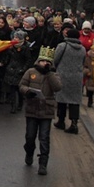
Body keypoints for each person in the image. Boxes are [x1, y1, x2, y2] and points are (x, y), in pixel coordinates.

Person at [19, 46, 62, 175]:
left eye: (48, 62)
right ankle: (29, 152)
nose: (45, 64)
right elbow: (22, 85)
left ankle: (43, 163)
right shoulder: (30, 72)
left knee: (44, 137)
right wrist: (27, 91)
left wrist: (49, 73)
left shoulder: (53, 75)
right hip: (32, 108)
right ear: (38, 61)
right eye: (43, 61)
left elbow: (58, 87)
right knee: (30, 136)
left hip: (46, 110)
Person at [53, 28, 86, 134]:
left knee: (61, 99)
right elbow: (83, 61)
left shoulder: (62, 46)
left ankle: (61, 121)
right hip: (77, 77)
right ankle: (74, 123)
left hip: (63, 75)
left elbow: (55, 59)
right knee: (75, 101)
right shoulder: (82, 49)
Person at [3, 30, 32, 113]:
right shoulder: (11, 47)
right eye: (14, 37)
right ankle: (13, 106)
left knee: (19, 89)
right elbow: (7, 57)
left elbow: (28, 60)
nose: (15, 39)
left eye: (17, 37)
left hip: (20, 70)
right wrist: (4, 63)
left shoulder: (26, 48)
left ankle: (20, 104)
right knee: (12, 88)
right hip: (11, 69)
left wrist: (23, 69)